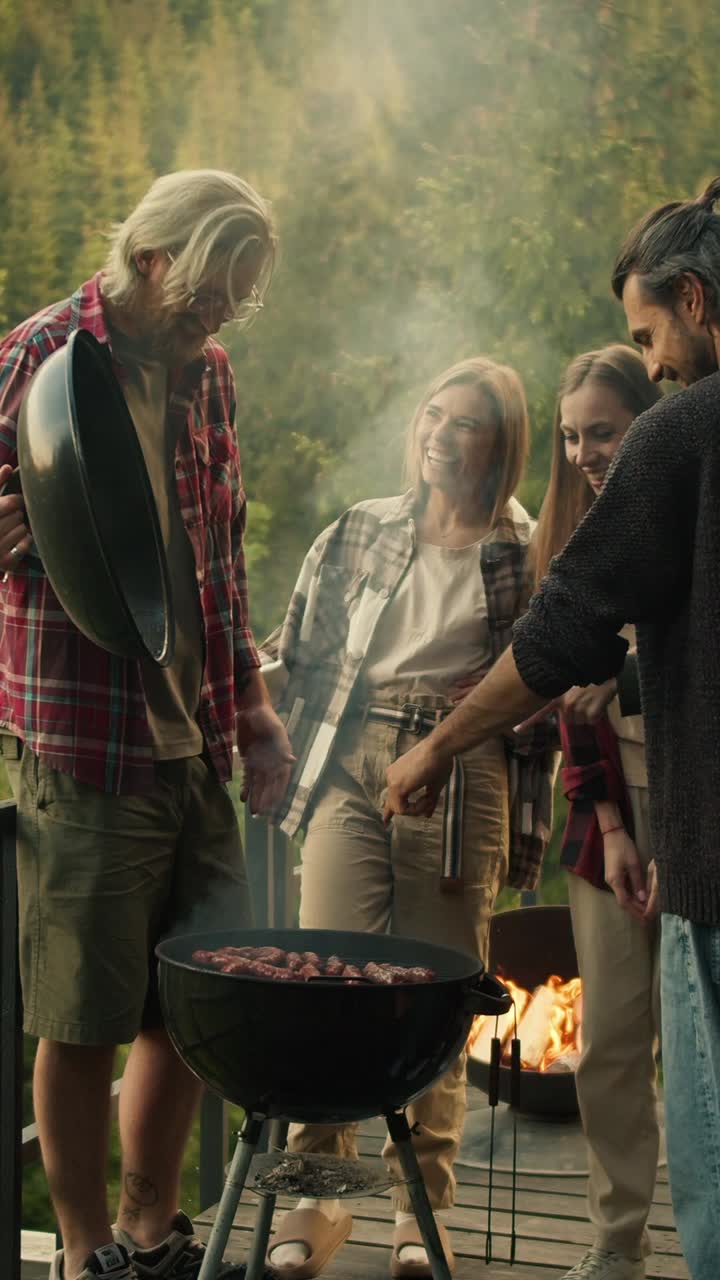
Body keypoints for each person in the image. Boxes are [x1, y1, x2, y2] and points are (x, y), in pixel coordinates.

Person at [384, 176, 720, 1280]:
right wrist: (613, 817)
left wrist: (436, 744)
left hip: (706, 857)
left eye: (650, 336)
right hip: (640, 827)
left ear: (694, 297)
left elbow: (562, 632)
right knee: (625, 1053)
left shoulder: (682, 436)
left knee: (707, 1122)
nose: (658, 359)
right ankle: (618, 1245)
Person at [0, 169, 294, 1280]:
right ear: (156, 255)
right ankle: (82, 1255)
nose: (224, 314)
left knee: (191, 1002)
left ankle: (147, 1228)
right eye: (216, 287)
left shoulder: (207, 375)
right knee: (80, 1016)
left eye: (243, 297)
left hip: (193, 741)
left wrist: (252, 707)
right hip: (84, 742)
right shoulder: (43, 356)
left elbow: (220, 558)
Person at [258, 356, 558, 1279]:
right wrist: (236, 702)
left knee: (434, 996)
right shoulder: (361, 529)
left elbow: (547, 684)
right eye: (433, 414)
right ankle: (318, 1193)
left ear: (499, 445)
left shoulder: (523, 549)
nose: (438, 433)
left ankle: (416, 1207)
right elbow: (294, 650)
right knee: (327, 978)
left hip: (463, 774)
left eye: (464, 423)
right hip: (353, 763)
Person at [530, 345, 662, 1280]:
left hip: (698, 797)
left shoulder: (686, 508)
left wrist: (622, 679)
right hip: (605, 808)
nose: (584, 451)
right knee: (610, 1038)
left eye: (603, 432)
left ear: (647, 422)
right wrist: (612, 828)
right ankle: (617, 1242)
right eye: (572, 435)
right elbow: (562, 708)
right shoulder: (565, 542)